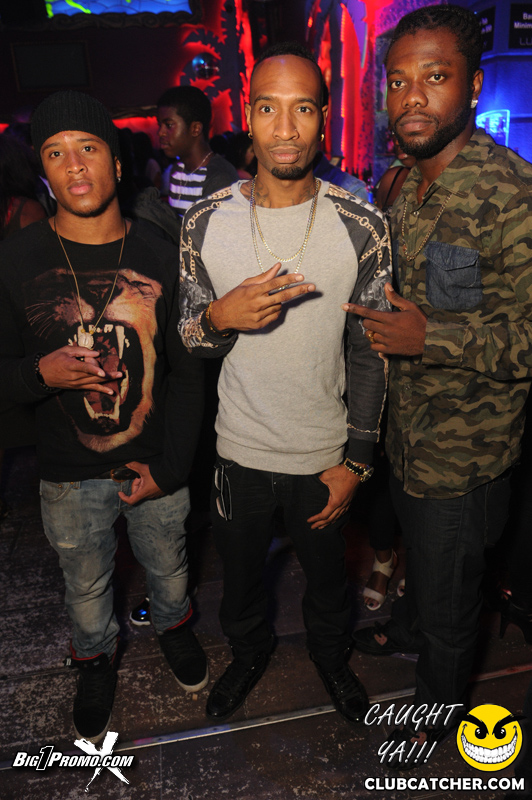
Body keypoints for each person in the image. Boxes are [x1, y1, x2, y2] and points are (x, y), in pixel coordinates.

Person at [178, 41, 391, 727]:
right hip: (238, 452)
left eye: (303, 109)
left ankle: (331, 655)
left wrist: (358, 461)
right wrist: (221, 317)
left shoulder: (362, 224)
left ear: (324, 117)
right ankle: (249, 651)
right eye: (269, 108)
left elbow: (371, 351)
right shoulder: (205, 221)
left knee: (329, 581)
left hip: (323, 454)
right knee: (240, 581)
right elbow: (188, 335)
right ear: (247, 115)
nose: (286, 128)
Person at [344, 4, 532, 767]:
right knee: (427, 575)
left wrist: (434, 338)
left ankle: (437, 716)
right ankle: (409, 630)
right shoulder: (401, 186)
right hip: (407, 441)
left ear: (474, 86)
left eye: (435, 76)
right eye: (398, 81)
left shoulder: (512, 195)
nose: (412, 97)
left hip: (465, 459)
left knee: (456, 609)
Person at [0, 90, 207, 744]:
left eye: (87, 147)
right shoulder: (15, 259)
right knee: (85, 588)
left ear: (117, 163)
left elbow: (188, 373)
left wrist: (171, 469)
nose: (74, 165)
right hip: (67, 473)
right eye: (55, 153)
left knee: (169, 566)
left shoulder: (162, 252)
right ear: (42, 170)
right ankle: (94, 660)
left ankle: (173, 627)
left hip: (154, 461)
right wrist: (41, 374)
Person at [157, 85, 238, 217]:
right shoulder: (177, 170)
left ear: (195, 129)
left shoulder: (220, 176)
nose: (160, 132)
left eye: (169, 125)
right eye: (159, 125)